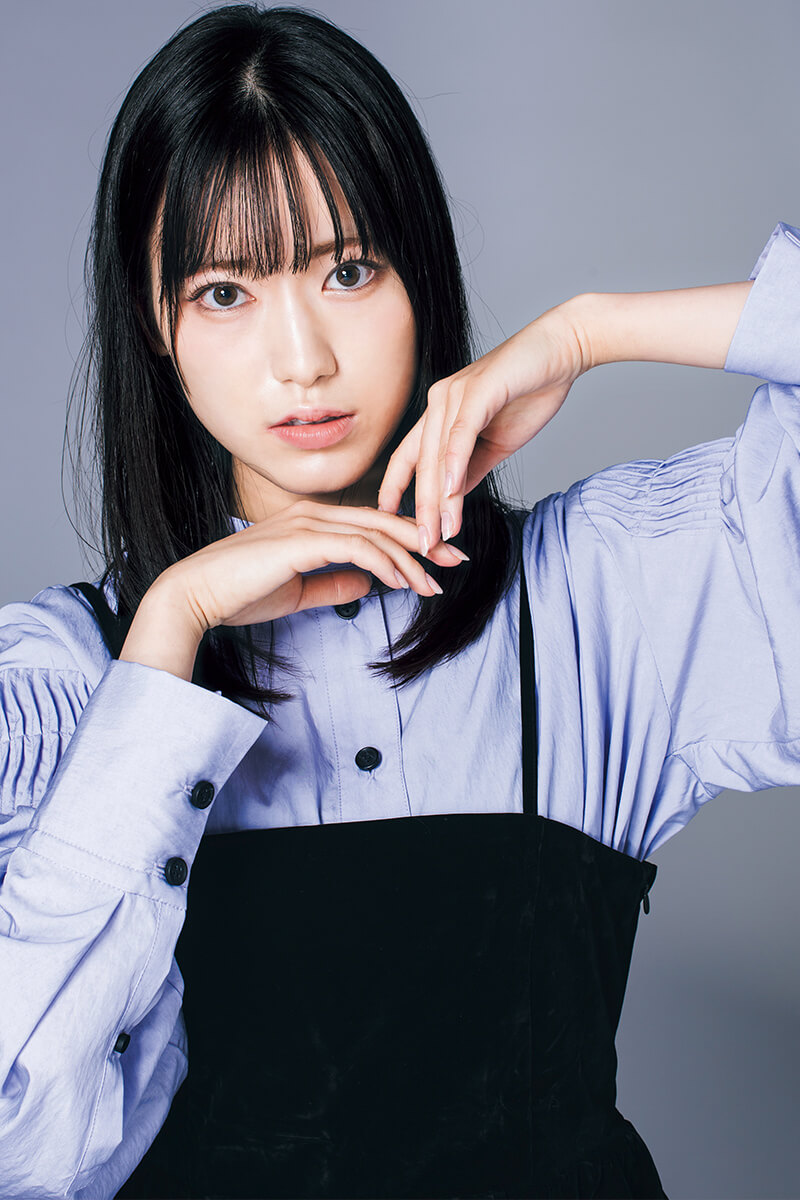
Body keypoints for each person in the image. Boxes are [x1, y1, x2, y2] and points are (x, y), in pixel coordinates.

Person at [0, 4, 798, 1198]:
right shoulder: (67, 683)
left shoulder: (597, 603)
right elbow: (20, 1142)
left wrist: (592, 330)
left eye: (348, 270)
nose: (302, 360)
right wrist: (167, 636)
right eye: (223, 292)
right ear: (153, 321)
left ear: (419, 274)